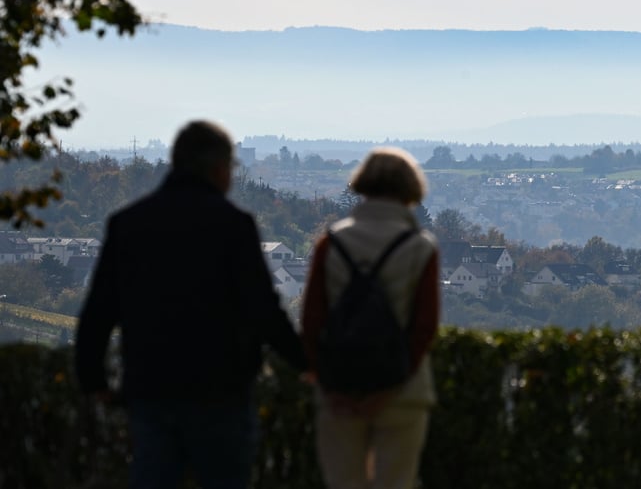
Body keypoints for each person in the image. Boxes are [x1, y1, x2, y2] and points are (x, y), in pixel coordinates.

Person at [75, 120, 306, 489]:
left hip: (151, 388)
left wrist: (93, 379)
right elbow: (264, 310)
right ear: (219, 168)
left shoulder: (128, 224)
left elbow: (99, 311)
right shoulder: (235, 225)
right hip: (222, 391)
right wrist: (304, 362)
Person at [301, 147, 440, 489]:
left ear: (361, 185)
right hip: (403, 391)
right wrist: (392, 387)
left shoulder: (330, 244)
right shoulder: (420, 247)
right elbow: (424, 327)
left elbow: (312, 321)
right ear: (412, 190)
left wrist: (326, 381)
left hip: (339, 388)